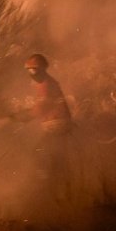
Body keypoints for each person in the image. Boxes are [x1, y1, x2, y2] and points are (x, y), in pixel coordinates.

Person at [24, 53, 74, 190]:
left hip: (56, 124)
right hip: (57, 124)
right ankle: (60, 184)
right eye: (28, 70)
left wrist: (23, 117)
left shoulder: (45, 84)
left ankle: (47, 186)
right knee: (55, 157)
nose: (31, 73)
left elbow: (41, 107)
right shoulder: (46, 82)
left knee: (39, 151)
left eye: (33, 69)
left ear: (41, 69)